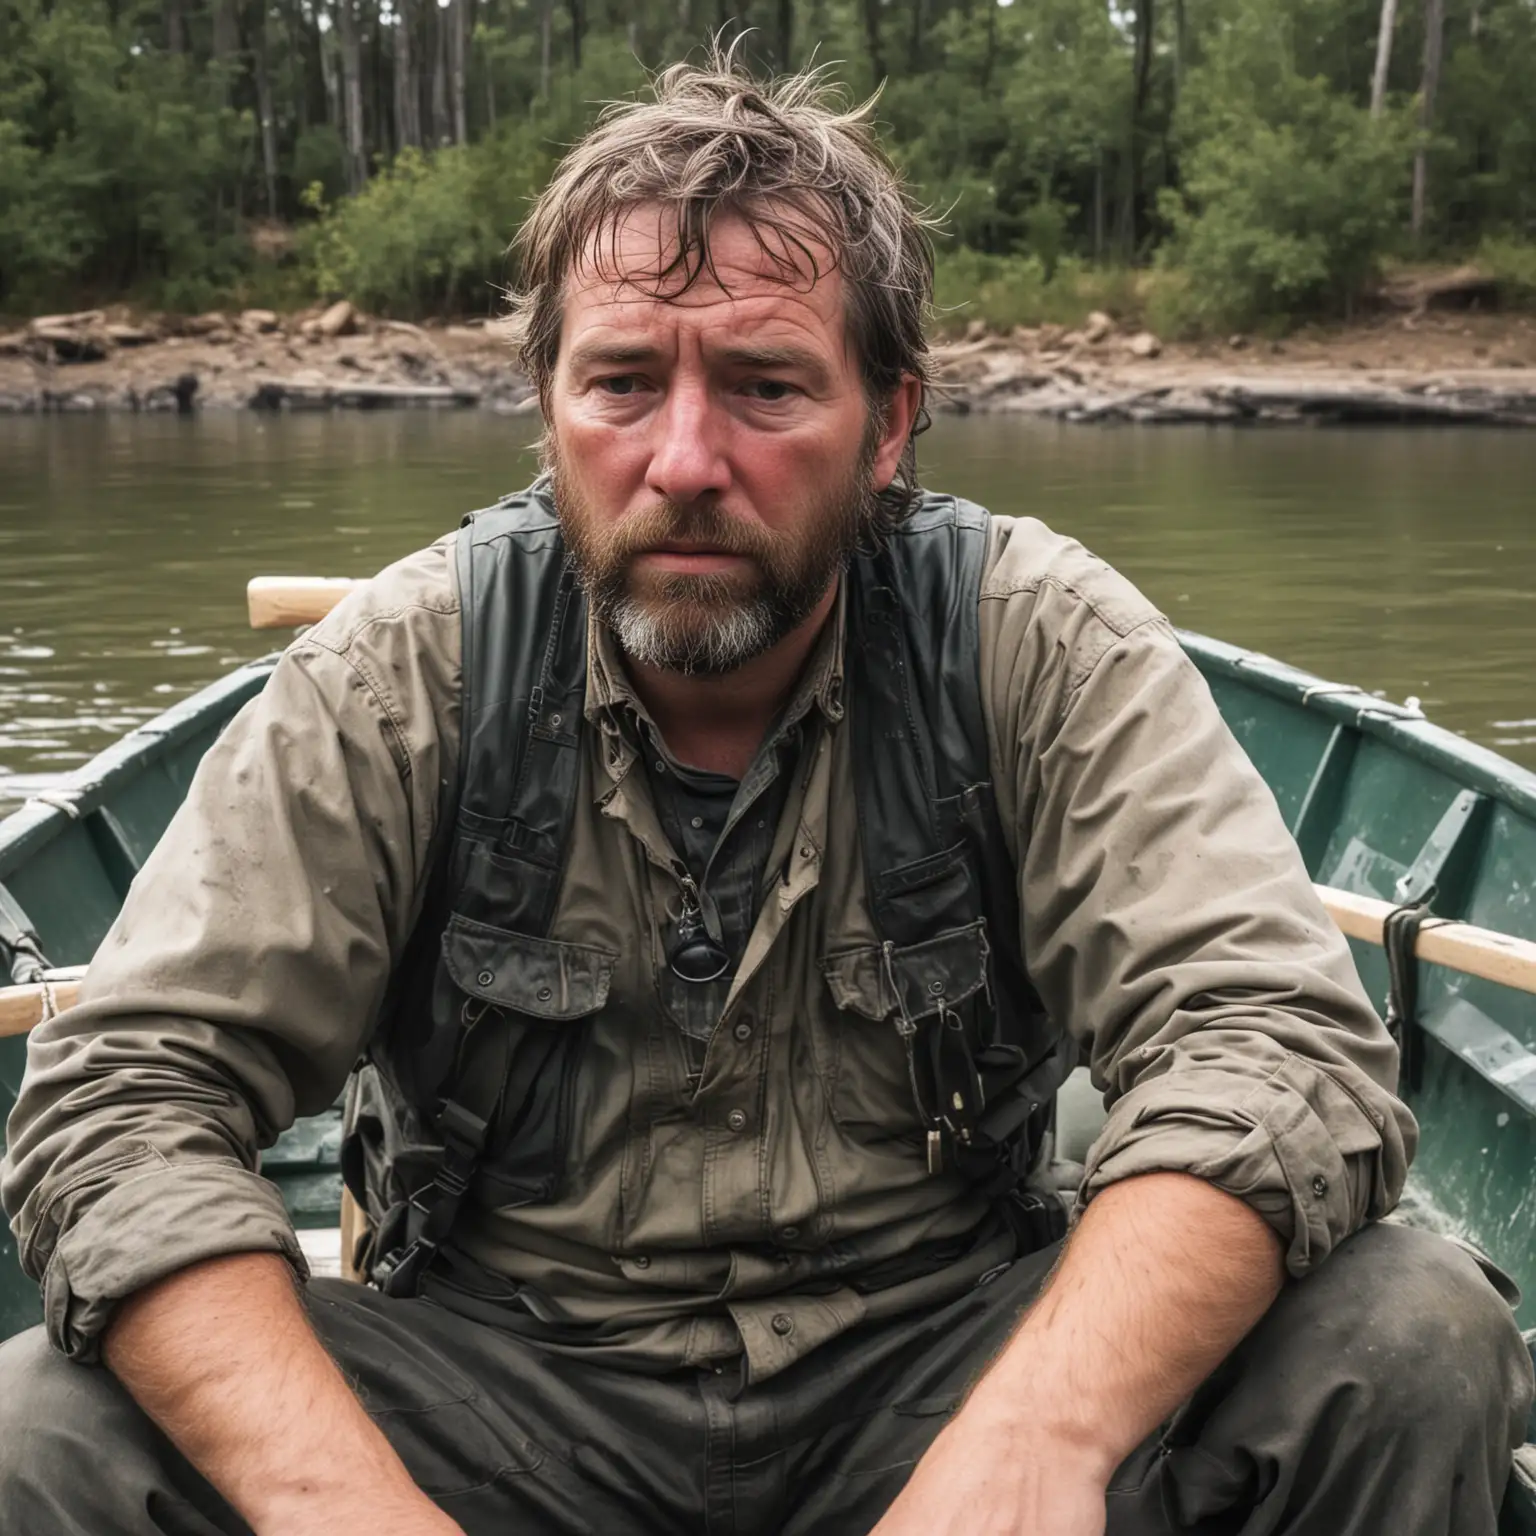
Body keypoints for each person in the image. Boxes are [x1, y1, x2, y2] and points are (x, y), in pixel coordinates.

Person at [1, 51, 1530, 1536]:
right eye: (619, 383)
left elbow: (1272, 1042)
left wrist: (1044, 1433)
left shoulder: (1037, 640)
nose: (682, 459)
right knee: (42, 1439)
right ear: (548, 411)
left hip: (942, 1357)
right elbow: (127, 1099)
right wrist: (338, 1505)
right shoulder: (404, 672)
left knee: (1406, 1333)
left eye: (766, 387)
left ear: (892, 425)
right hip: (498, 1389)